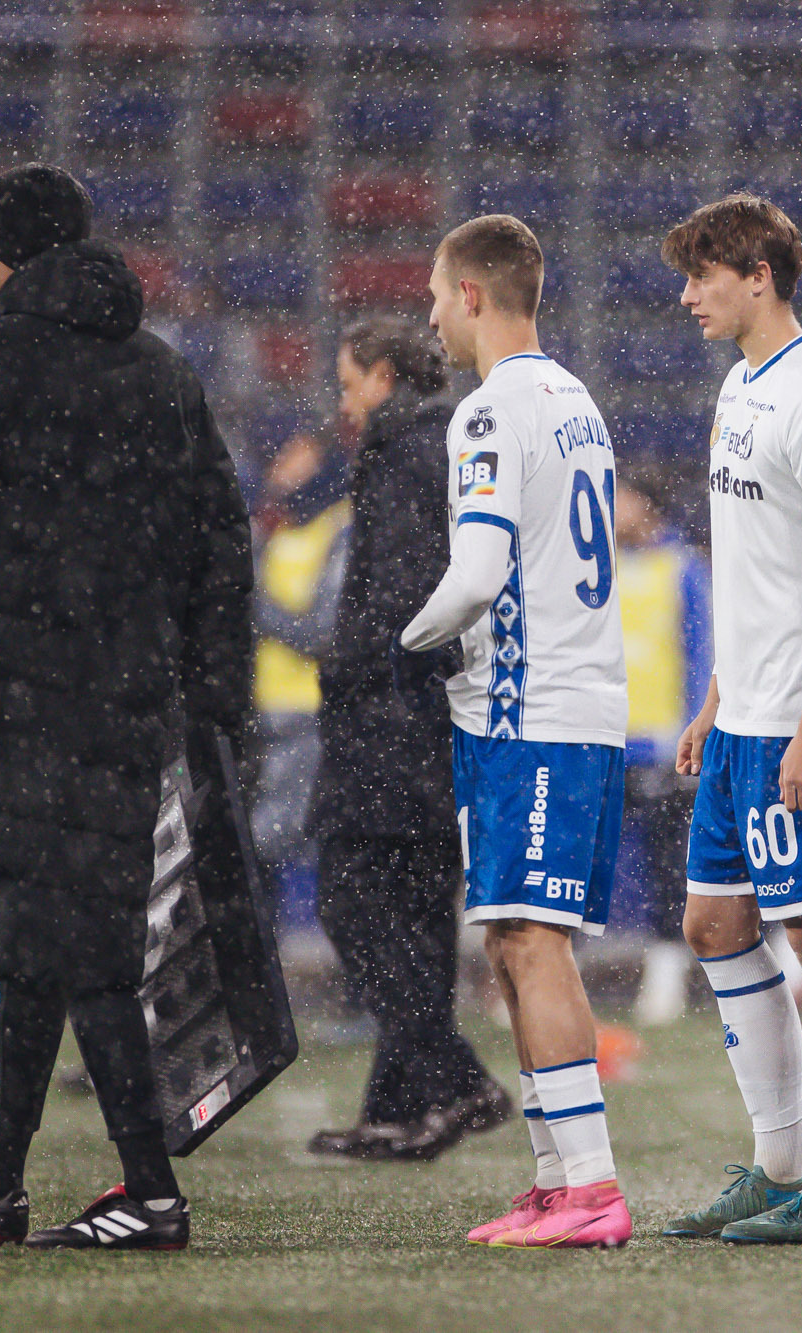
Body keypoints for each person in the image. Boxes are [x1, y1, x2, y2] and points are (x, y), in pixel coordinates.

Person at [0, 163, 254, 1252]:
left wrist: (2, 594)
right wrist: (208, 689)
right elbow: (218, 541)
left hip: (26, 693)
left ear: (12, 249)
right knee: (49, 927)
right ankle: (0, 1180)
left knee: (74, 939)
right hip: (131, 694)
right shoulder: (162, 375)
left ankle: (151, 1192)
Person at [660, 195, 802, 1246]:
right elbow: (751, 565)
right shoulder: (738, 384)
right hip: (744, 714)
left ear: (758, 275)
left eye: (702, 274)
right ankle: (780, 1164)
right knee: (713, 926)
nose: (687, 295)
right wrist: (716, 696)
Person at [396, 214, 632, 1249]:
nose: (430, 317)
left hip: (528, 715)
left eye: (435, 296)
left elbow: (477, 573)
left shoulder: (489, 410)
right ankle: (554, 1179)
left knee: (531, 942)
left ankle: (592, 1188)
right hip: (567, 709)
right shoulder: (574, 398)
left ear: (472, 294)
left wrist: (403, 642)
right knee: (514, 938)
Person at [307, 314, 510, 1161]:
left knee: (353, 901)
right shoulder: (454, 446)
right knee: (420, 917)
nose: (345, 400)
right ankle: (399, 1107)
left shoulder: (399, 457)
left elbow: (394, 595)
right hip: (445, 719)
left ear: (384, 376)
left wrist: (346, 670)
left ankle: (456, 1079)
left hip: (390, 724)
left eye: (350, 381)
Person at [614, 469, 714, 1026]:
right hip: (607, 742)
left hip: (663, 746)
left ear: (647, 505)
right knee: (578, 861)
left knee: (671, 865)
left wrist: (694, 730)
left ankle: (668, 979)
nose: (611, 510)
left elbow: (702, 651)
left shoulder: (683, 566)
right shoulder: (598, 566)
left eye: (621, 499)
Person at [249, 430, 349, 884]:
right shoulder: (276, 524)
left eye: (298, 453)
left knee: (282, 840)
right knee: (263, 844)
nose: (283, 465)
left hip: (306, 712)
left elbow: (322, 631)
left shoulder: (337, 527)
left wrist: (255, 604)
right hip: (266, 712)